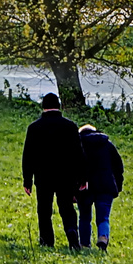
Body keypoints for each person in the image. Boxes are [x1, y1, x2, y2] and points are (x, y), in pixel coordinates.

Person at [22, 93, 88, 249]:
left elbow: (28, 156)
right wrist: (83, 177)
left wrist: (27, 181)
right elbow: (79, 154)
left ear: (43, 107)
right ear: (59, 106)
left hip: (43, 177)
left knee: (44, 210)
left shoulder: (34, 128)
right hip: (66, 176)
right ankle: (72, 236)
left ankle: (46, 241)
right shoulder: (70, 126)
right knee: (67, 208)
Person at [76, 123, 124, 252]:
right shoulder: (107, 145)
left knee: (84, 216)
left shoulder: (78, 145)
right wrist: (117, 186)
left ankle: (85, 244)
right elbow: (119, 167)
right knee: (103, 217)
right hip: (106, 185)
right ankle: (103, 237)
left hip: (84, 187)